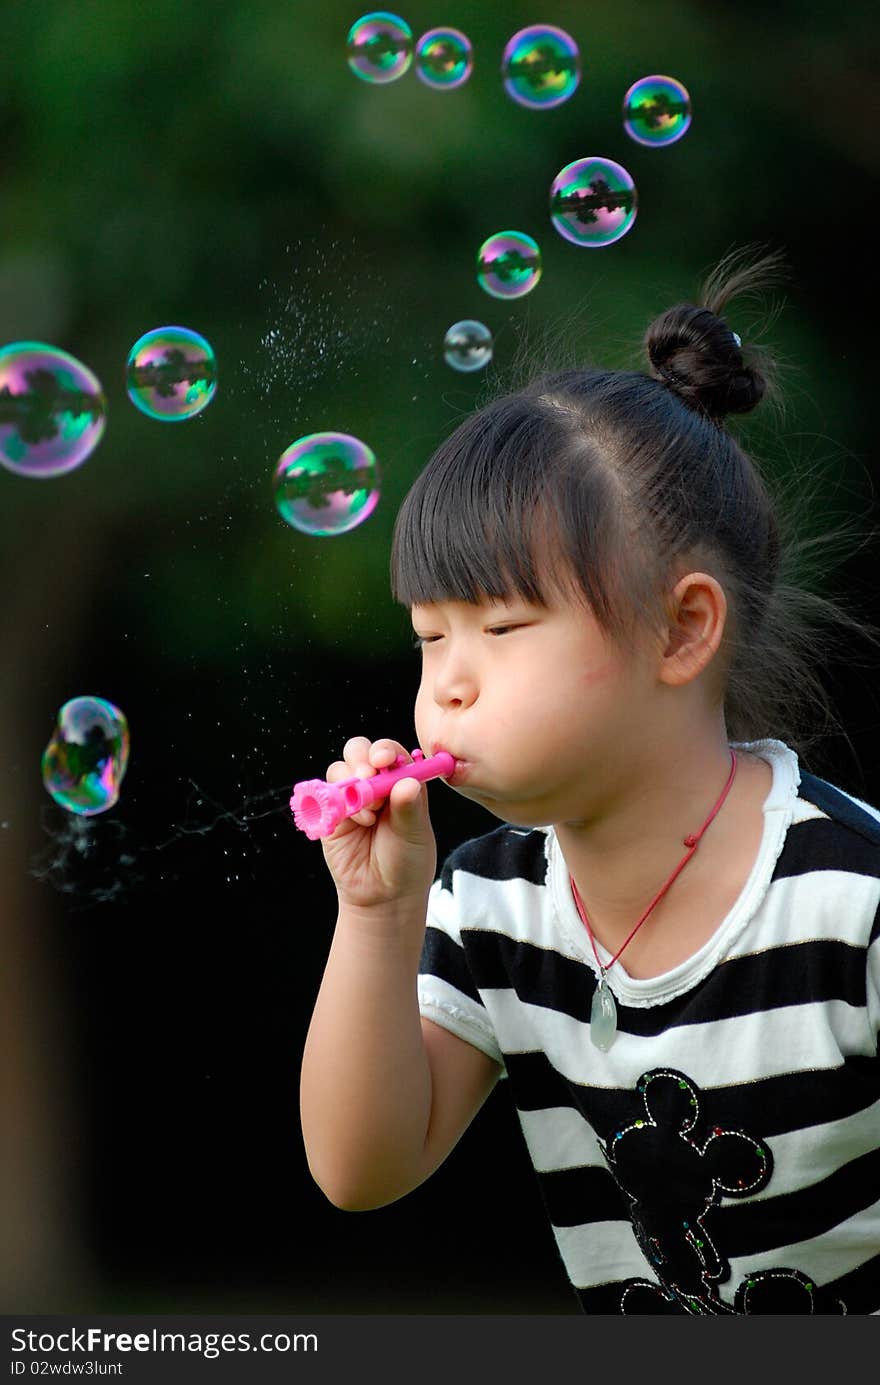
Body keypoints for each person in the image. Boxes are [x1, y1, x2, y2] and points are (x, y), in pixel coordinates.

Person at [299, 250, 880, 1315]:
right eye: (430, 638)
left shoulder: (852, 901)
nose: (447, 689)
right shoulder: (489, 905)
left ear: (682, 628)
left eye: (504, 627)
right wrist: (377, 912)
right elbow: (360, 1165)